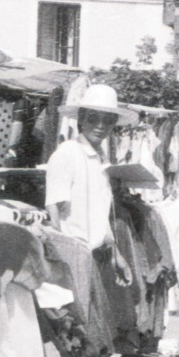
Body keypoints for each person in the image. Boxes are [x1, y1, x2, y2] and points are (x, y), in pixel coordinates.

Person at [45, 83, 133, 285]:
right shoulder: (68, 152)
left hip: (96, 258)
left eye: (108, 120)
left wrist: (115, 255)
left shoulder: (101, 160)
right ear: (81, 120)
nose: (100, 126)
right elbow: (53, 209)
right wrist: (62, 260)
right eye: (93, 118)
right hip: (72, 257)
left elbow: (99, 216)